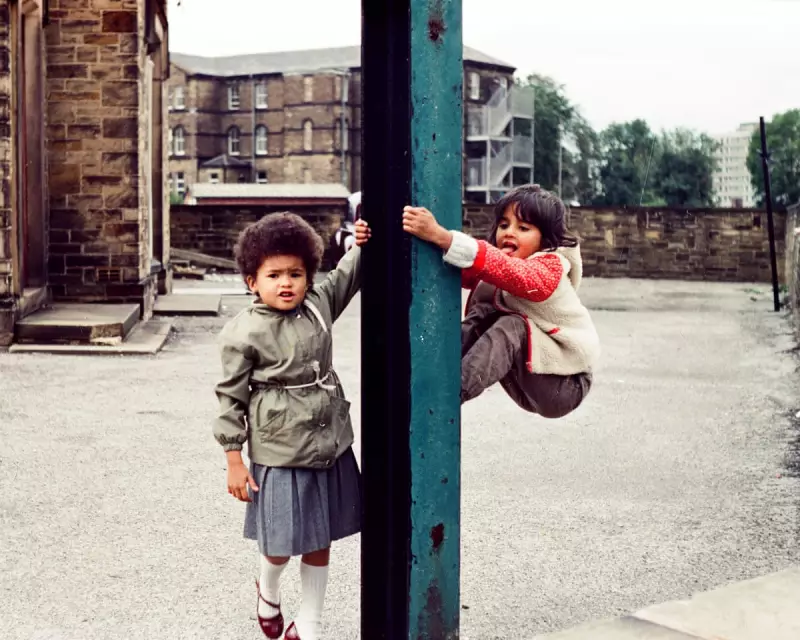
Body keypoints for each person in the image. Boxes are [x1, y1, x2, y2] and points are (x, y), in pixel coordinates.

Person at [213, 212, 371, 640]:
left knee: (321, 538)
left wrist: (360, 244)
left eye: (296, 274)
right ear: (252, 281)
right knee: (280, 543)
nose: (286, 283)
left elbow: (346, 276)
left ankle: (309, 622)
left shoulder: (318, 305)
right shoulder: (243, 332)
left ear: (308, 276)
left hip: (328, 442)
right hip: (279, 450)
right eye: (274, 275)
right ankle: (267, 590)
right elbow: (230, 398)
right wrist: (234, 459)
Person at [402, 184, 599, 418]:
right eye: (504, 225)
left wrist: (442, 237)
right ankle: (431, 370)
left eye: (523, 228)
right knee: (484, 311)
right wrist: (422, 243)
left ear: (545, 240)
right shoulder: (504, 264)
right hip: (528, 376)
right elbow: (460, 269)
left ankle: (446, 395)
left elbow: (514, 273)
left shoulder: (550, 266)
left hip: (566, 381)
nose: (509, 233)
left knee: (512, 324)